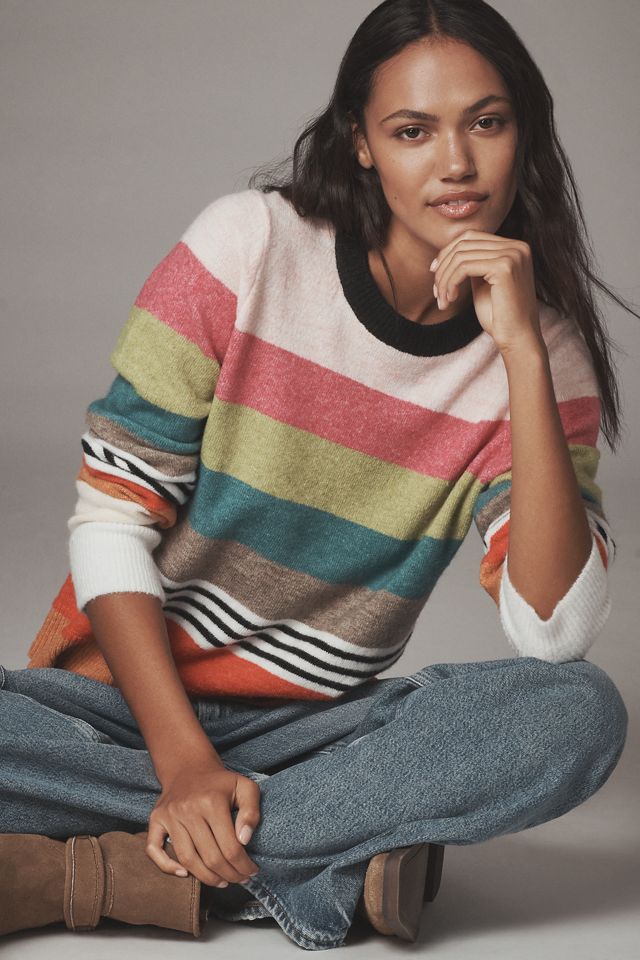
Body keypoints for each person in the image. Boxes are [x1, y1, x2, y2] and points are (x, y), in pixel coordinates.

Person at [0, 0, 633, 951]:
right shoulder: (249, 247)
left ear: (524, 132)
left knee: (575, 713)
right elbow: (110, 523)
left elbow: (555, 632)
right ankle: (315, 848)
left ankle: (114, 867)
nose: (456, 163)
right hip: (118, 708)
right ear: (361, 143)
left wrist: (524, 358)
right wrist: (183, 766)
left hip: (319, 735)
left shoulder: (542, 356)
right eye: (412, 131)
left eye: (487, 122)